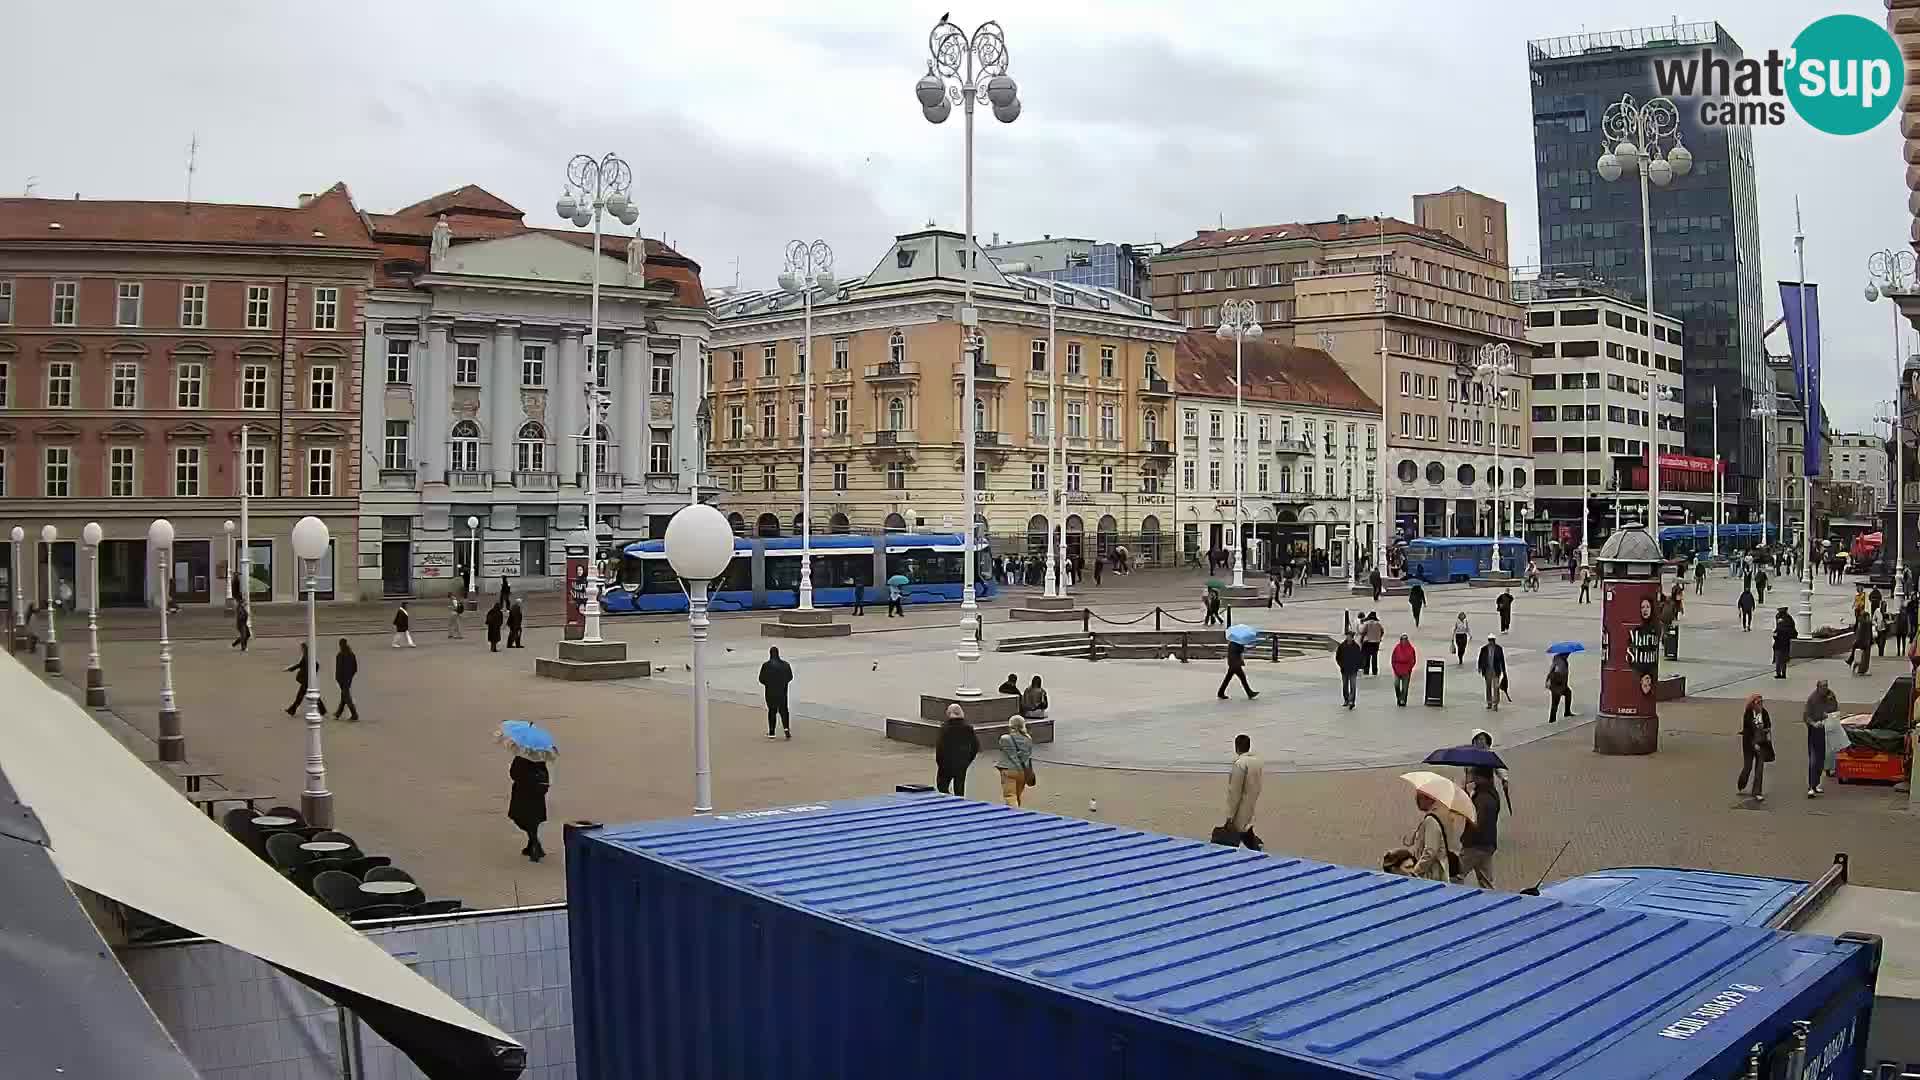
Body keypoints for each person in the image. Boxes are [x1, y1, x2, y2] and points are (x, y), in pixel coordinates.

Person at [1458, 766, 1500, 888]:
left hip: (1474, 845)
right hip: (1488, 843)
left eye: (1475, 775)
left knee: (1455, 876)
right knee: (1486, 881)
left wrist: (1465, 807)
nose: (1473, 778)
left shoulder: (1483, 798)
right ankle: (1492, 903)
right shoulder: (1491, 793)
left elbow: (1477, 821)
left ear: (1481, 777)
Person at [1223, 733, 1264, 851]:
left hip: (1241, 805)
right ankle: (1256, 848)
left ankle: (1255, 851)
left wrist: (1229, 816)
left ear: (1236, 747)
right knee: (1246, 829)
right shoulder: (1257, 762)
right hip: (1252, 802)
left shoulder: (1240, 764)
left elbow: (1234, 791)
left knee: (1234, 836)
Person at [1404, 792, 1455, 883]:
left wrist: (1416, 871)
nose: (1416, 801)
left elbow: (1430, 851)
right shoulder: (1441, 814)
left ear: (1429, 799)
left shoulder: (1431, 820)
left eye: (1419, 798)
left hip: (1432, 875)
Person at [508, 753, 549, 862]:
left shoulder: (521, 756)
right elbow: (544, 775)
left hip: (523, 793)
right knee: (533, 820)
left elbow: (513, 773)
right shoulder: (540, 756)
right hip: (536, 794)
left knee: (520, 818)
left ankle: (535, 844)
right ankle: (532, 844)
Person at [1804, 679, 1838, 798]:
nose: (1825, 688)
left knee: (1822, 759)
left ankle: (1816, 784)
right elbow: (1806, 716)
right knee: (1814, 759)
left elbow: (1835, 709)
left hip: (1826, 730)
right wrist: (1814, 723)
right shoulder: (1812, 699)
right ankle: (1811, 787)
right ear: (1818, 687)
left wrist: (1829, 715)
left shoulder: (1830, 696)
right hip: (1815, 731)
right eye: (1823, 686)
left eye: (1826, 686)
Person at [934, 704, 978, 795]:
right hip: (962, 763)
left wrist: (939, 762)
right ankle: (960, 805)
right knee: (959, 788)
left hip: (946, 763)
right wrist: (968, 760)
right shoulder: (968, 728)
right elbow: (975, 746)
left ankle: (948, 802)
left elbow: (940, 747)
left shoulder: (945, 728)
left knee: (942, 787)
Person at [1738, 694, 1772, 802]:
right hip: (1749, 744)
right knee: (1747, 767)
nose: (1760, 704)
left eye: (1762, 702)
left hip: (1761, 744)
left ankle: (1757, 792)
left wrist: (1767, 735)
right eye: (1758, 702)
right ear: (1753, 704)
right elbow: (1747, 732)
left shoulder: (1764, 713)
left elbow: (1768, 726)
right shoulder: (1748, 714)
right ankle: (1742, 781)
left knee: (1759, 769)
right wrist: (1754, 744)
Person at [995, 715, 1035, 807]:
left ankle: (1014, 815)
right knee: (1017, 796)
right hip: (1023, 771)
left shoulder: (1005, 738)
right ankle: (1018, 814)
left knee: (1010, 796)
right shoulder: (1028, 739)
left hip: (1009, 771)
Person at [758, 646, 793, 739]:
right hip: (782, 692)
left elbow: (761, 679)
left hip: (770, 692)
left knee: (772, 711)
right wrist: (783, 683)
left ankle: (772, 732)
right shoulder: (785, 664)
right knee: (784, 710)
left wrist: (768, 683)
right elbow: (790, 677)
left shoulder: (766, 665)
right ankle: (786, 728)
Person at [284, 642, 327, 716]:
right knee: (304, 695)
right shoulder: (306, 656)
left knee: (300, 696)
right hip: (307, 680)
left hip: (307, 681)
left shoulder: (308, 656)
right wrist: (290, 669)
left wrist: (312, 675)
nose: (301, 650)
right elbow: (300, 664)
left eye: (302, 648)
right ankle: (322, 710)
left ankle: (292, 710)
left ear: (304, 649)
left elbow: (315, 665)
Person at [326, 638, 362, 722]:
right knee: (344, 695)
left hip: (342, 679)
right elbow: (355, 668)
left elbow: (338, 669)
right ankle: (338, 713)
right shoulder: (351, 654)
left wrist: (337, 678)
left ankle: (354, 714)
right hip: (348, 678)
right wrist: (350, 676)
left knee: (346, 696)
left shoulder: (340, 655)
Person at [1219, 635, 1259, 700]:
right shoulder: (1237, 644)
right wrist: (1251, 647)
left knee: (1228, 678)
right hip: (1235, 664)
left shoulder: (1232, 643)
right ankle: (1249, 693)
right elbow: (1242, 650)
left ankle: (1220, 692)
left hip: (1232, 663)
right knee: (1243, 678)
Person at [1477, 634, 1506, 711]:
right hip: (1487, 671)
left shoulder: (1499, 649)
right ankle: (1489, 702)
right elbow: (1480, 659)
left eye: (1492, 640)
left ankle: (1495, 703)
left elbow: (1502, 660)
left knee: (1496, 687)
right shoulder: (1484, 649)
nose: (1491, 642)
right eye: (1490, 640)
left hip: (1496, 671)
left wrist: (1504, 671)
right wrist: (1480, 668)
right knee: (1488, 687)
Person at [1335, 630, 1363, 709]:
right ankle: (1346, 700)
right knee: (1345, 686)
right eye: (1347, 636)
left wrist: (1359, 667)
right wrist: (1341, 665)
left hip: (1353, 670)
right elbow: (1338, 657)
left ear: (1352, 637)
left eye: (1349, 636)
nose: (1348, 637)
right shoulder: (1342, 646)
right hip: (1344, 669)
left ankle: (1352, 701)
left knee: (1353, 686)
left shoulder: (1356, 647)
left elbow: (1359, 658)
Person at [1545, 650, 1573, 723]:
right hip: (1556, 685)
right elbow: (1553, 670)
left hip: (1563, 684)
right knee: (1555, 702)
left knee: (1568, 693)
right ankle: (1552, 719)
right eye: (1567, 654)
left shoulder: (1563, 659)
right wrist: (1548, 680)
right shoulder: (1558, 660)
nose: (1568, 655)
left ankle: (1567, 712)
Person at [1390, 634, 1417, 707]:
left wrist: (1409, 668)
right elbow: (1393, 658)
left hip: (1406, 670)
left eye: (1405, 639)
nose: (1404, 641)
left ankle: (1403, 700)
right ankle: (1399, 697)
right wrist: (1394, 667)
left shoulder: (1411, 649)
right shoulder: (1397, 648)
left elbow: (1413, 660)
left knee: (1405, 687)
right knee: (1396, 684)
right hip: (1397, 670)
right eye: (1402, 639)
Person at [1772, 608, 1797, 678]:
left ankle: (1779, 673)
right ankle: (1782, 673)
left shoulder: (1783, 618)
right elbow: (1793, 630)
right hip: (1785, 642)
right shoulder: (1788, 618)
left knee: (1779, 658)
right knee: (1783, 659)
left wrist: (1775, 635)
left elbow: (1778, 630)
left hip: (1780, 642)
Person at [1360, 611, 1386, 676]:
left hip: (1368, 642)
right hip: (1376, 643)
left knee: (1367, 657)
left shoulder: (1367, 624)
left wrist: (1361, 640)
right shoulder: (1378, 624)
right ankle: (1375, 671)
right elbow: (1382, 631)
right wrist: (1379, 638)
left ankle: (1366, 671)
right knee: (1374, 657)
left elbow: (1363, 632)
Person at [1851, 609, 1874, 676]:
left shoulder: (1861, 622)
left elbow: (1859, 633)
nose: (1869, 618)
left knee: (1861, 657)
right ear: (1866, 617)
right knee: (1865, 658)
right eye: (1868, 617)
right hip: (1866, 643)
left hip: (1863, 642)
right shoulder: (1866, 623)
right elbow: (1868, 634)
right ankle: (1862, 670)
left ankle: (1859, 669)